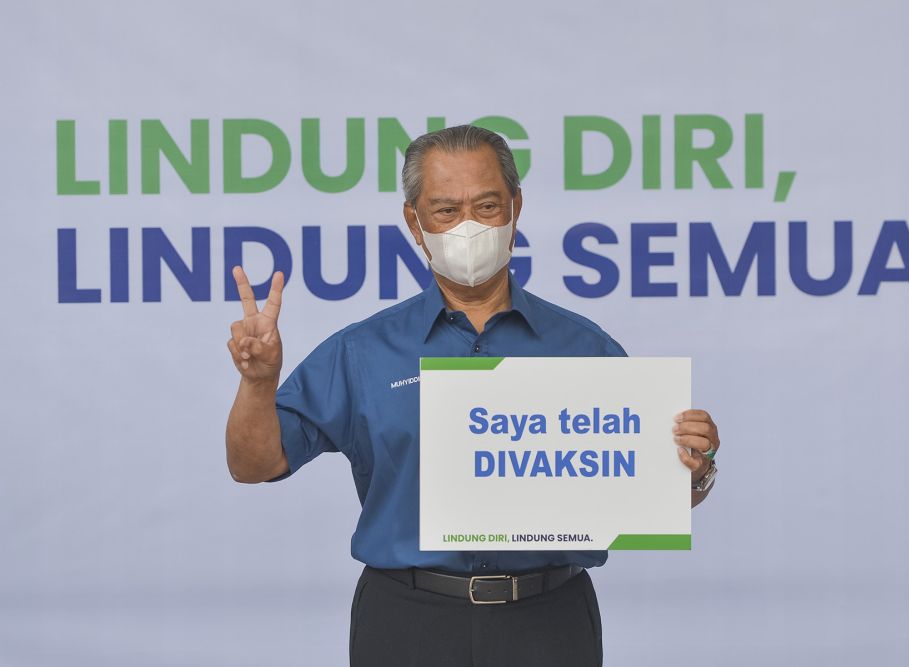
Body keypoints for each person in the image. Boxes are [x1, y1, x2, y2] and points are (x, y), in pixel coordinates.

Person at [225, 125, 720, 667]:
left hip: (550, 621)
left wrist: (693, 471)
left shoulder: (585, 348)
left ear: (515, 208)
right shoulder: (362, 352)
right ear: (414, 221)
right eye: (446, 210)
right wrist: (258, 383)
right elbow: (253, 465)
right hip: (408, 622)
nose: (468, 225)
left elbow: (649, 495)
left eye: (486, 206)